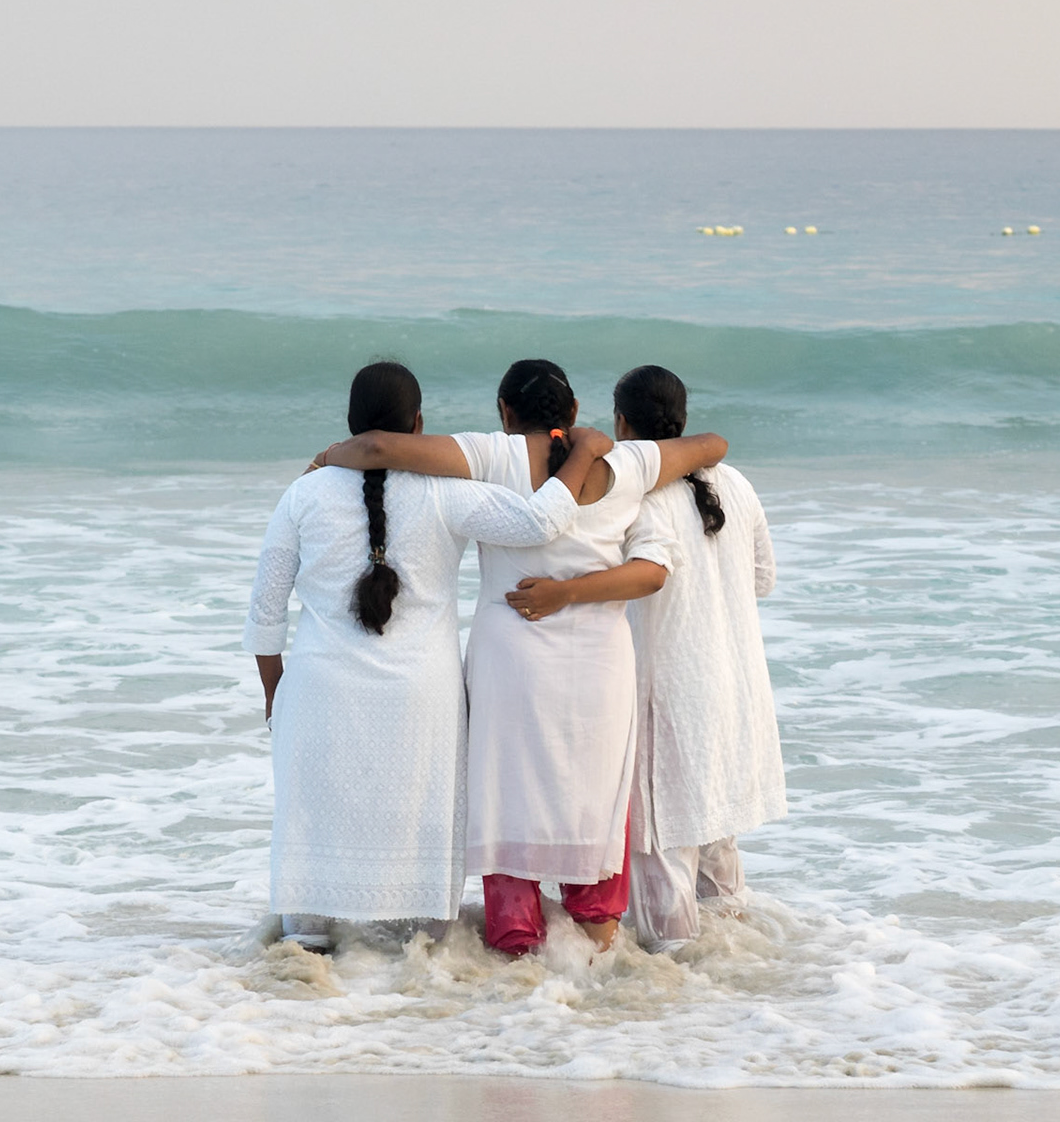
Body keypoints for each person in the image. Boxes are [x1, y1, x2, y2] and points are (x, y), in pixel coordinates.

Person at [316, 359, 726, 954]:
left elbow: (379, 445)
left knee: (507, 797)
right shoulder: (628, 462)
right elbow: (713, 444)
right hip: (600, 666)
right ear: (576, 412)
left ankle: (516, 946)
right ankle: (597, 941)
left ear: (505, 413)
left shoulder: (494, 455)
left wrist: (329, 459)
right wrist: (595, 446)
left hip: (510, 662)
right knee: (596, 800)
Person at [243, 361, 613, 951]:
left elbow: (265, 611)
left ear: (350, 426)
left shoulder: (304, 493)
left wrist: (274, 691)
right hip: (423, 697)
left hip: (319, 691)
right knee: (422, 865)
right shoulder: (448, 494)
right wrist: (583, 453)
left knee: (311, 835)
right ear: (418, 424)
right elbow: (544, 521)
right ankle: (423, 960)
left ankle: (307, 952)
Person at [517, 364, 784, 952]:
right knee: (717, 835)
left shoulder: (641, 493)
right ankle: (737, 969)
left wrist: (565, 592)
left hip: (672, 687)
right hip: (735, 684)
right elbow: (762, 578)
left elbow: (649, 578)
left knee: (662, 843)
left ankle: (673, 981)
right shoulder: (736, 484)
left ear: (620, 422)